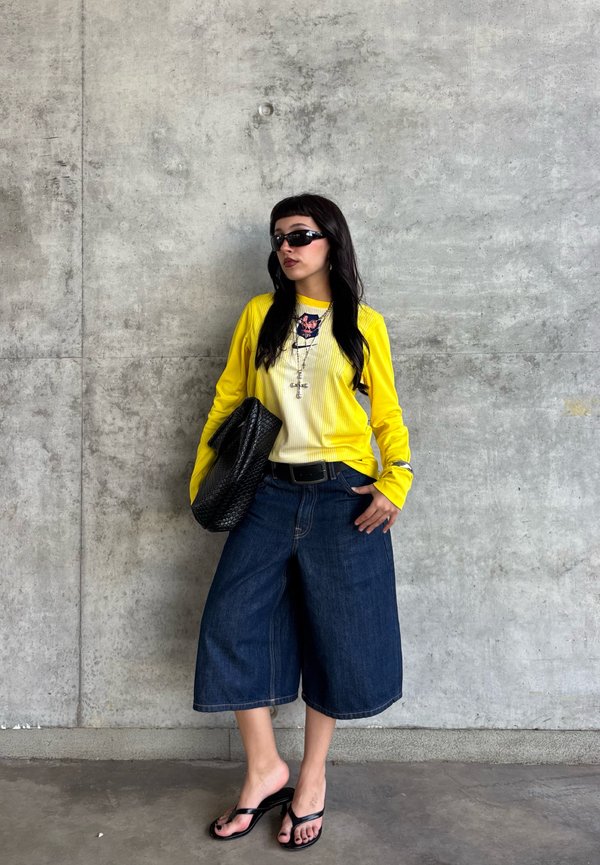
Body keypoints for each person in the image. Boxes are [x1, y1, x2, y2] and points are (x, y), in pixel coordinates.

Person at [189, 192, 413, 850]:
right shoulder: (259, 314)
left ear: (331, 240)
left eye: (300, 235)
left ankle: (312, 778)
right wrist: (205, 479)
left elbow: (387, 416)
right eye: (279, 238)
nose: (286, 248)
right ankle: (265, 768)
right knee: (231, 622)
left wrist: (396, 481)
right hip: (267, 490)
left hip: (344, 495)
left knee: (336, 636)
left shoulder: (364, 324)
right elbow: (230, 397)